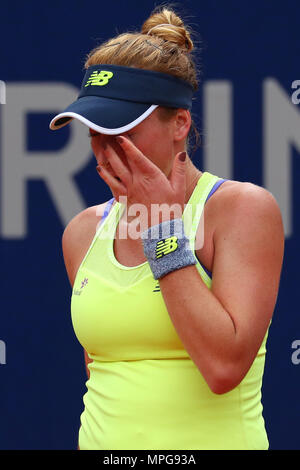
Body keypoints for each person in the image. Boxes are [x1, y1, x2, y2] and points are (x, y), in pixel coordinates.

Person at [50, 6, 284, 450]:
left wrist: (163, 233)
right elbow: (106, 375)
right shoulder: (81, 232)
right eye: (93, 132)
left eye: (122, 131)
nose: (105, 151)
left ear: (180, 123)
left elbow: (223, 368)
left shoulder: (242, 209)